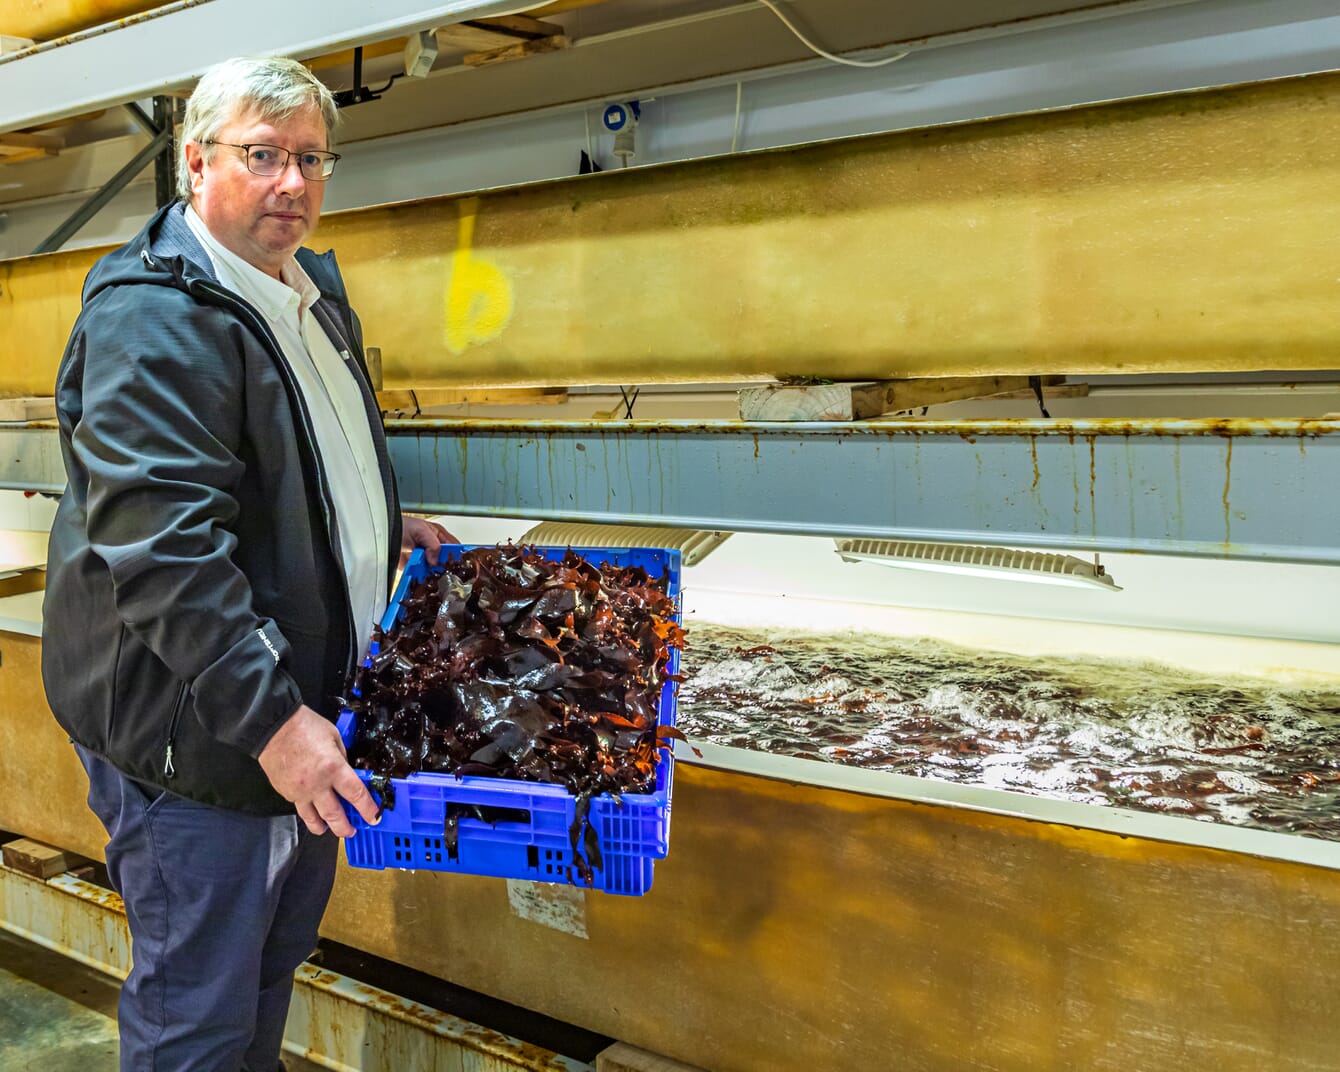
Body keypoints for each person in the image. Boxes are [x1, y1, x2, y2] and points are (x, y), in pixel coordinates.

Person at [42, 56, 452, 1071]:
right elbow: (168, 548)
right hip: (208, 740)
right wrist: (272, 723)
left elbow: (286, 454)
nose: (292, 183)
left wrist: (373, 526)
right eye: (261, 156)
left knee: (267, 968)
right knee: (199, 1015)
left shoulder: (303, 285)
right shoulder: (155, 319)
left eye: (310, 159)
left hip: (299, 716)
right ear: (194, 163)